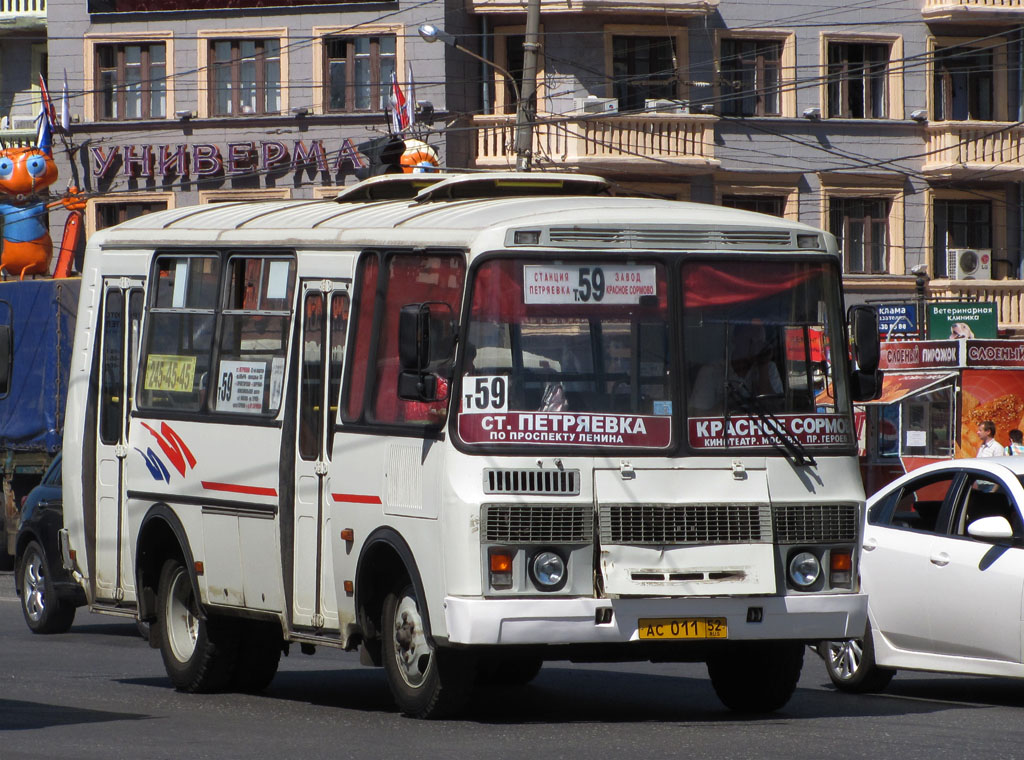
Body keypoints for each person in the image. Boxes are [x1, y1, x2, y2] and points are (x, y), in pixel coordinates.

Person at [689, 322, 782, 413]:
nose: (754, 346)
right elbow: (699, 416)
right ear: (735, 339)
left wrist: (763, 367)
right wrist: (729, 404)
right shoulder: (711, 372)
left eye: (759, 342)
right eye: (749, 340)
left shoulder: (769, 368)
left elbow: (775, 410)